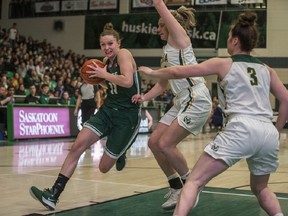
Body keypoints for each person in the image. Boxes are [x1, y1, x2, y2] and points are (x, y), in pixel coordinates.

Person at [138, 11, 288, 216]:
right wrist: (277, 130)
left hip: (241, 127)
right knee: (261, 188)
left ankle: (180, 192)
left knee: (193, 182)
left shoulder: (224, 63)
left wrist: (152, 72)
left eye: (228, 38)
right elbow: (286, 99)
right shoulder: (267, 69)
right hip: (267, 131)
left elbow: (177, 72)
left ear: (235, 40)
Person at [30, 22, 141, 211]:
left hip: (127, 116)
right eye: (103, 45)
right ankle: (53, 195)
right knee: (77, 146)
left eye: (110, 44)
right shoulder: (105, 62)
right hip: (108, 110)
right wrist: (96, 78)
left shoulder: (124, 54)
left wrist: (104, 74)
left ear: (118, 43)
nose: (106, 48)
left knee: (104, 167)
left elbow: (127, 80)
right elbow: (110, 85)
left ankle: (121, 151)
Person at [132, 0, 212, 210]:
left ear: (169, 25)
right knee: (154, 142)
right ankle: (176, 187)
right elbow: (163, 83)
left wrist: (157, 3)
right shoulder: (168, 50)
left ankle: (190, 187)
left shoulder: (180, 38)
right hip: (182, 101)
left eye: (160, 26)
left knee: (166, 144)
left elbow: (161, 8)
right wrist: (144, 97)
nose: (157, 30)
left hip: (196, 97)